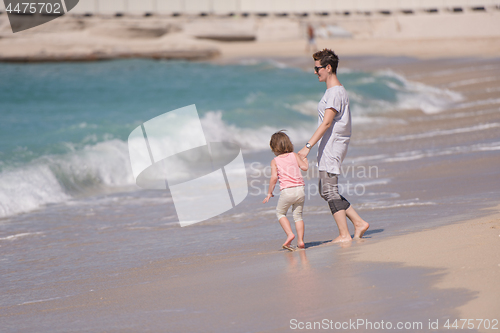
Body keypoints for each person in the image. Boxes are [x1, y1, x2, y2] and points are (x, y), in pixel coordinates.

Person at [298, 49, 369, 243]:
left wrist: (307, 147)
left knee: (329, 191)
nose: (315, 72)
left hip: (332, 145)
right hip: (330, 144)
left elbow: (327, 123)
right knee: (325, 190)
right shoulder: (333, 92)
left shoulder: (335, 92)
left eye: (317, 68)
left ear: (328, 68)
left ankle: (344, 234)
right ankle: (359, 222)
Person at [263, 131, 309, 251]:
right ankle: (300, 241)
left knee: (280, 213)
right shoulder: (294, 155)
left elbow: (274, 178)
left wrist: (269, 193)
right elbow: (304, 167)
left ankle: (290, 234)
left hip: (287, 191)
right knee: (298, 216)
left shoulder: (275, 161)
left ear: (273, 147)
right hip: (300, 190)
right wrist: (305, 159)